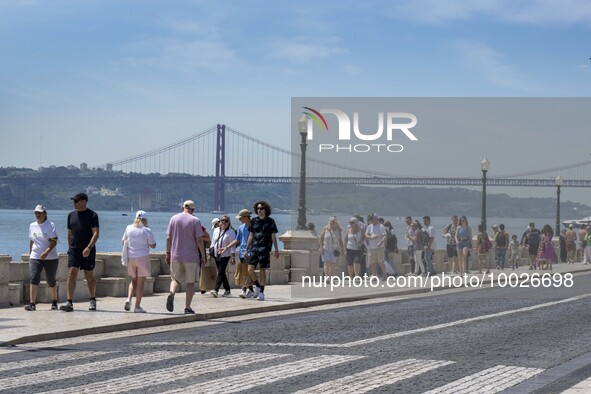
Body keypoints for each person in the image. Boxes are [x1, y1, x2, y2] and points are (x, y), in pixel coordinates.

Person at [60, 193, 99, 312]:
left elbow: (96, 233)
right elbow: (69, 233)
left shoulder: (92, 215)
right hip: (74, 249)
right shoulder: (70, 215)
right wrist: (70, 247)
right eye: (74, 201)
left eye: (76, 201)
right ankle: (69, 302)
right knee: (71, 273)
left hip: (88, 249)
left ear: (84, 201)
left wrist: (89, 247)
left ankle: (92, 299)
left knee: (89, 275)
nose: (74, 203)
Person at [165, 200, 206, 314]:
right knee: (190, 282)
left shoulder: (173, 219)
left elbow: (169, 238)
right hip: (191, 257)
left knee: (175, 279)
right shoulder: (195, 220)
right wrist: (203, 256)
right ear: (193, 209)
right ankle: (187, 307)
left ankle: (172, 293)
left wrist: (168, 253)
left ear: (182, 207)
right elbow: (199, 240)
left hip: (176, 255)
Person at [26, 205, 59, 311]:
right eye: (36, 213)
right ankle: (32, 304)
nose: (38, 215)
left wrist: (46, 252)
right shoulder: (32, 225)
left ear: (45, 213)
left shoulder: (50, 225)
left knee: (51, 280)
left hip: (50, 257)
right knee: (34, 278)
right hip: (35, 257)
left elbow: (54, 241)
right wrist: (31, 253)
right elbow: (32, 240)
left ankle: (54, 301)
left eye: (40, 213)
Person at [122, 210, 156, 313]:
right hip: (142, 257)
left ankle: (128, 298)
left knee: (133, 280)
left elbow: (123, 240)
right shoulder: (146, 230)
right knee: (141, 283)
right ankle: (137, 306)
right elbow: (153, 245)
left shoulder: (129, 228)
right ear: (145, 220)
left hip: (131, 257)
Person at [246, 201, 279, 301]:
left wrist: (276, 249)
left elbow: (273, 235)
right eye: (258, 208)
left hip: (265, 249)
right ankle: (257, 285)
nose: (259, 210)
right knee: (250, 269)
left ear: (265, 210)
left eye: (261, 208)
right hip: (254, 248)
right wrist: (247, 248)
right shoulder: (253, 221)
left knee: (262, 270)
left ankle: (261, 292)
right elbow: (251, 235)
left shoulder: (270, 221)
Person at [223, 209, 254, 298]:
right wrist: (227, 247)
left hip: (251, 252)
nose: (239, 220)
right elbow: (237, 240)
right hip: (242, 252)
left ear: (245, 217)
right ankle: (250, 290)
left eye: (240, 218)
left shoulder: (253, 226)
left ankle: (245, 290)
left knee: (247, 272)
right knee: (244, 271)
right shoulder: (241, 228)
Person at [210, 214, 236, 298]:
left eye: (226, 221)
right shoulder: (216, 230)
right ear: (219, 222)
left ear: (229, 222)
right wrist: (210, 254)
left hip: (225, 254)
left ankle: (215, 290)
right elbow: (213, 242)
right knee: (222, 272)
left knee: (220, 271)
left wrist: (233, 257)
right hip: (216, 253)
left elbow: (233, 245)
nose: (224, 222)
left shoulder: (231, 232)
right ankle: (227, 290)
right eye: (222, 220)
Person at [320, 216, 344, 280]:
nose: (331, 222)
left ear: (335, 223)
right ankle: (327, 277)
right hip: (326, 248)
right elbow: (321, 239)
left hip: (335, 249)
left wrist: (343, 249)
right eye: (330, 221)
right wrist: (321, 248)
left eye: (333, 221)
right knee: (327, 263)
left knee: (332, 264)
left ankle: (331, 277)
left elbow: (340, 240)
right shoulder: (325, 229)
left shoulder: (338, 230)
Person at [365, 214, 388, 280]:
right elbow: (366, 235)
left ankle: (385, 275)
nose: (374, 220)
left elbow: (385, 235)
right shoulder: (369, 227)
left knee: (381, 262)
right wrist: (371, 237)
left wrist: (381, 242)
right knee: (372, 262)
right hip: (371, 247)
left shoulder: (381, 226)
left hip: (380, 247)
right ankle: (375, 275)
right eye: (373, 219)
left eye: (376, 219)